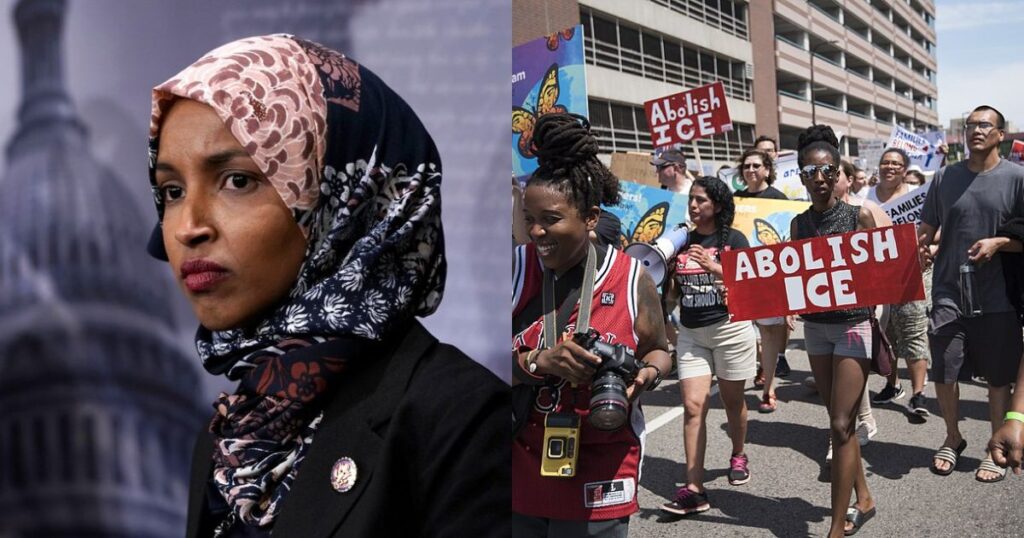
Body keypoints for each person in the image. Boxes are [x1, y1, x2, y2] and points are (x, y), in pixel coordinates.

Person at [145, 35, 508, 537]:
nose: (188, 226)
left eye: (237, 180)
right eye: (172, 191)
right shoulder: (228, 436)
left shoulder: (459, 418)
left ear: (343, 195)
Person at [512, 112, 672, 537]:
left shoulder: (633, 278)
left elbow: (659, 348)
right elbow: (467, 364)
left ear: (589, 216)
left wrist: (647, 375)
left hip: (604, 457)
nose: (536, 231)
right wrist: (538, 361)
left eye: (550, 218)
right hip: (519, 458)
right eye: (529, 218)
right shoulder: (512, 270)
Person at [919, 105, 1024, 483]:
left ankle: (995, 446)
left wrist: (1000, 242)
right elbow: (927, 228)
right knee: (944, 370)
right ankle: (952, 436)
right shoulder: (945, 176)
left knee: (998, 377)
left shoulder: (1018, 178)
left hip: (998, 295)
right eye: (970, 125)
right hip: (948, 292)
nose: (975, 130)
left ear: (1000, 135)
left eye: (984, 125)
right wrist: (919, 249)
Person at [791, 125, 877, 537]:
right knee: (836, 419)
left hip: (854, 326)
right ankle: (864, 498)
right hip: (816, 329)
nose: (820, 179)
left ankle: (835, 527)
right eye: (811, 172)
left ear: (839, 171)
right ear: (802, 176)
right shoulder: (797, 225)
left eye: (827, 170)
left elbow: (884, 267)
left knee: (841, 424)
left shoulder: (857, 215)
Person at [660, 177, 758, 515]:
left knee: (733, 402)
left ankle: (738, 451)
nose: (693, 205)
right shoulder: (679, 241)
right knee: (693, 406)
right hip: (691, 334)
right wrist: (669, 273)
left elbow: (752, 283)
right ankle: (694, 488)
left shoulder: (734, 239)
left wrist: (714, 267)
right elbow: (673, 296)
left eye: (701, 200)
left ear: (716, 205)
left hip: (730, 331)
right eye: (691, 199)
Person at [865, 149, 932, 416]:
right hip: (879, 275)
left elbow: (936, 232)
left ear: (905, 169)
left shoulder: (919, 195)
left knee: (913, 329)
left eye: (896, 163)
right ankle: (892, 385)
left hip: (913, 272)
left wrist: (930, 250)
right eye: (885, 162)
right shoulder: (866, 198)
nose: (889, 167)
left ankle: (918, 394)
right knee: (885, 332)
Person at [733, 148, 791, 413]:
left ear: (767, 169)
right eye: (746, 166)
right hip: (741, 276)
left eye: (756, 166)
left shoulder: (779, 200)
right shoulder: (735, 200)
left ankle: (769, 389)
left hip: (769, 278)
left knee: (768, 333)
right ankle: (754, 374)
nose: (751, 170)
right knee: (746, 332)